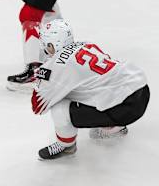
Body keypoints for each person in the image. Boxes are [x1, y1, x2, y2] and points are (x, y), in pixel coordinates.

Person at [31, 19, 150, 160]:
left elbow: (38, 106)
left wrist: (40, 79)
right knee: (94, 87)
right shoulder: (86, 44)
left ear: (52, 44)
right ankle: (114, 126)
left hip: (125, 107)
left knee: (59, 106)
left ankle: (66, 145)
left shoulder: (55, 67)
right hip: (141, 89)